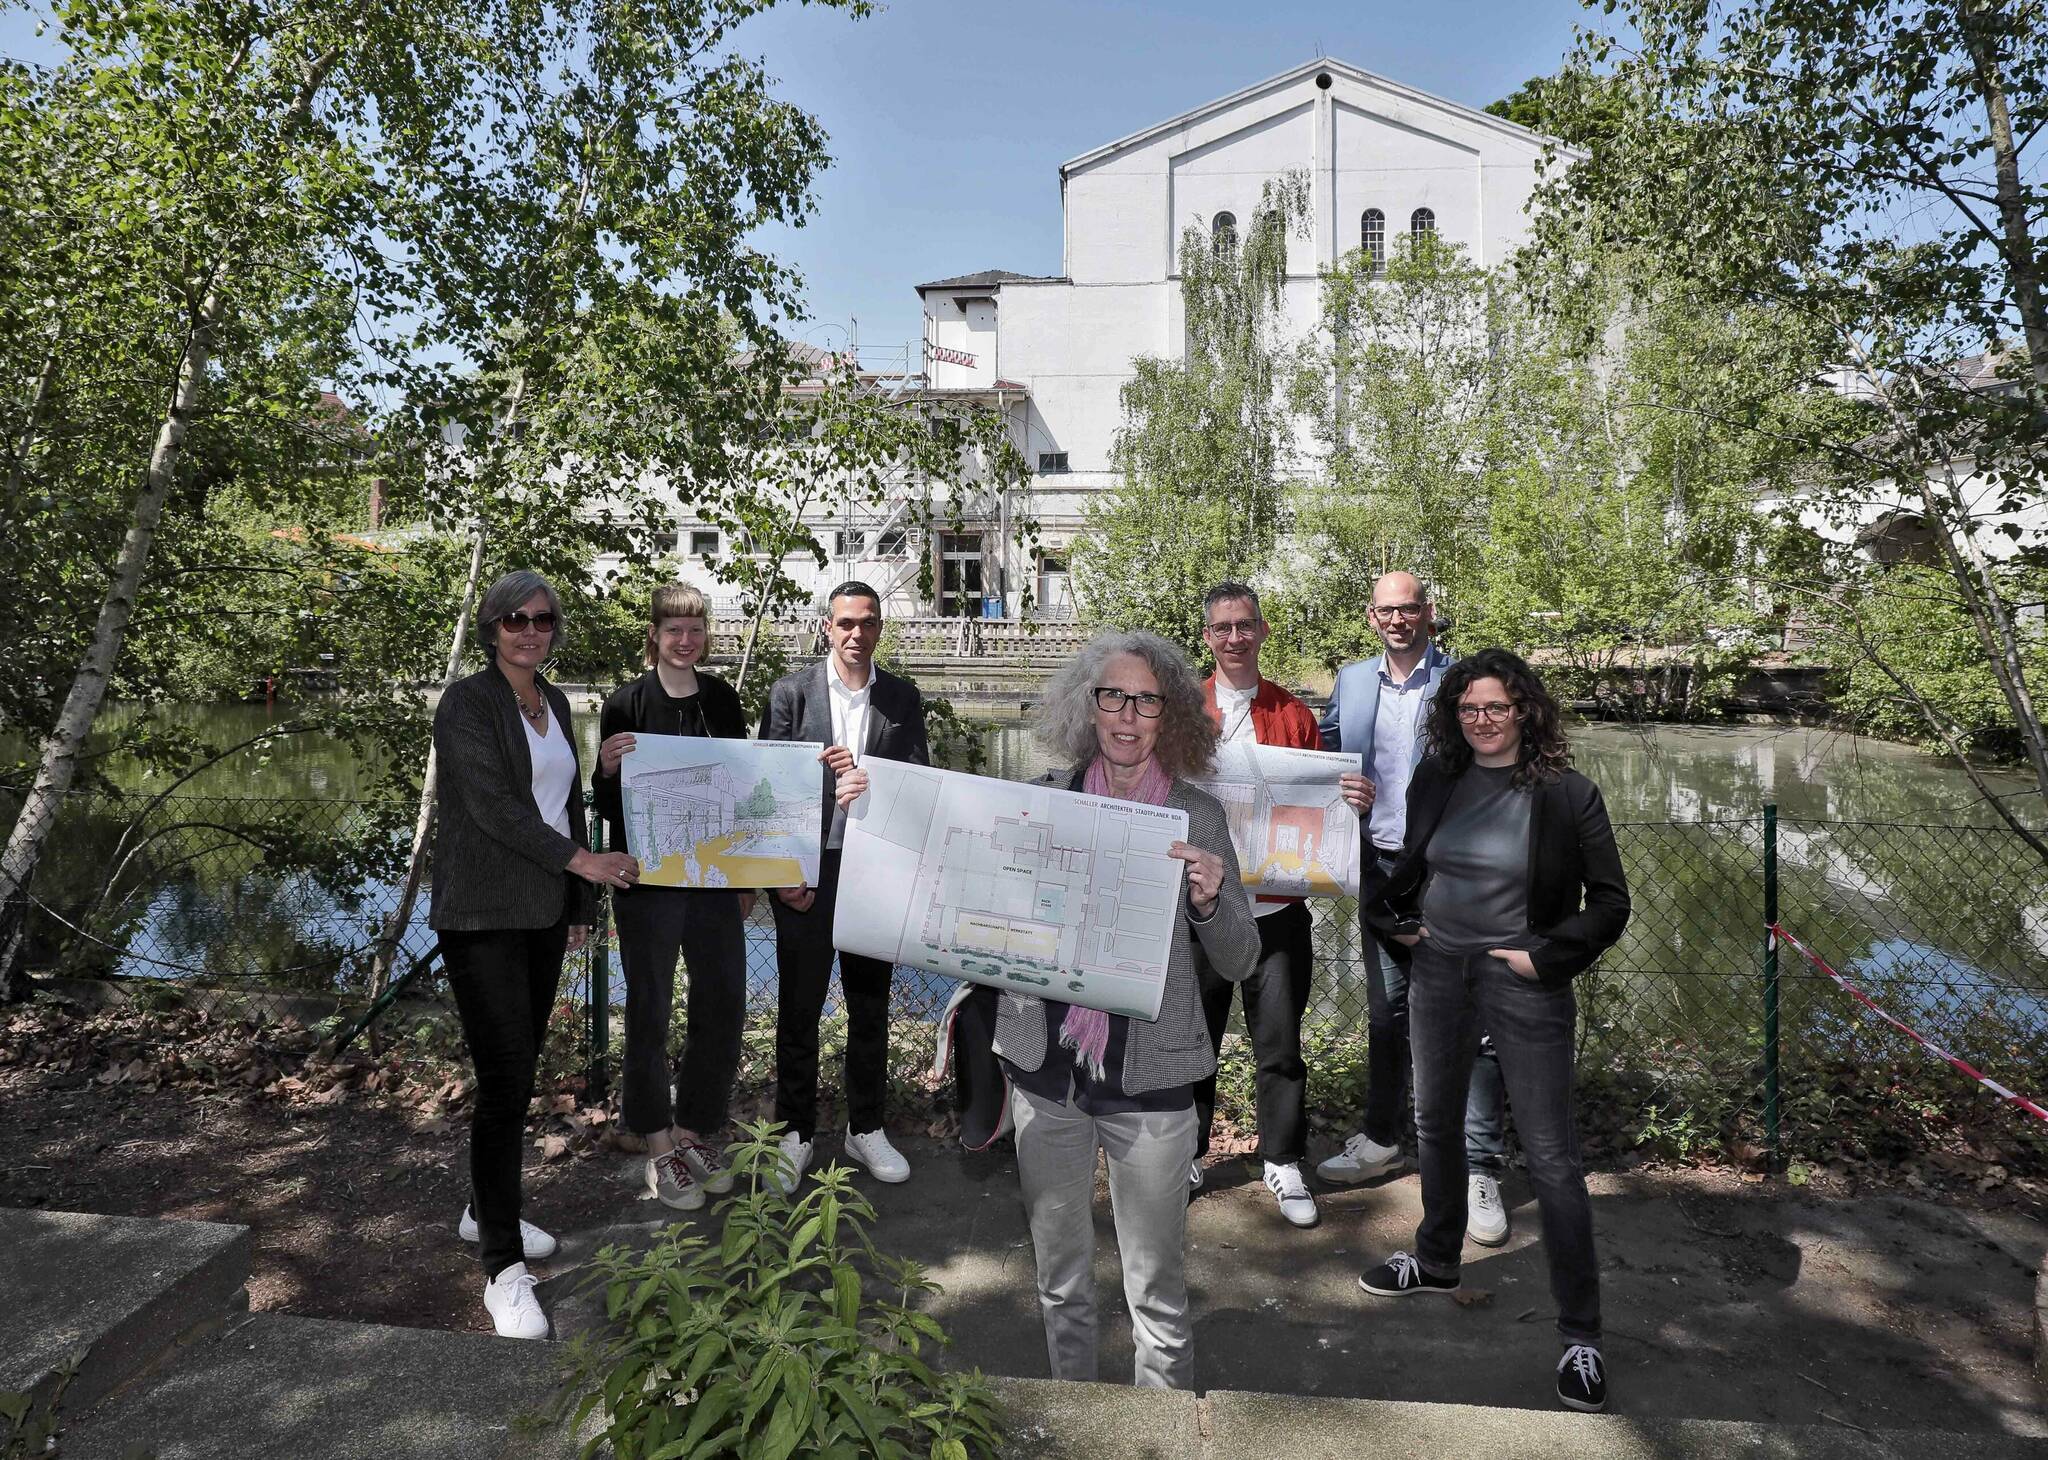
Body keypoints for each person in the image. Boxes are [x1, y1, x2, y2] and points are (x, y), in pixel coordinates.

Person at [1353, 648, 1629, 1414]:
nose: (1482, 720)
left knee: (1552, 1158)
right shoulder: (1438, 777)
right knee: (1434, 1124)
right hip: (1441, 971)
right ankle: (1437, 1260)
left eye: (1496, 708)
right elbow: (1408, 862)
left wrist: (1544, 957)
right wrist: (1397, 923)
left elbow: (1610, 903)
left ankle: (1580, 1334)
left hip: (1522, 982)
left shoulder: (1567, 794)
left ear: (1525, 711)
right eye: (1469, 708)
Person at [996, 630, 1258, 1390]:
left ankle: (1161, 1435)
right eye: (1114, 696)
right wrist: (874, 808)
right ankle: (1074, 1425)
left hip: (1152, 1084)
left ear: (1169, 718)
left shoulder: (1194, 815)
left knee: (1158, 1300)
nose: (1128, 716)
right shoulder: (1045, 801)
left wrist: (1210, 902)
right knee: (1059, 1284)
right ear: (1088, 707)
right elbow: (969, 896)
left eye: (1147, 701)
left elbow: (1241, 959)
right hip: (1046, 1073)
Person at [430, 570, 641, 1340]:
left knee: (517, 1075)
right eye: (515, 619)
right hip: (483, 915)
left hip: (544, 913)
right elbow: (493, 807)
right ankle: (502, 1270)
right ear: (492, 627)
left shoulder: (552, 701)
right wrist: (586, 865)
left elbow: (567, 804)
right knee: (505, 1081)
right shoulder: (466, 703)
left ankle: (485, 1208)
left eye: (542, 619)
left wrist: (578, 904)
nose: (529, 631)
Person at [1316, 572, 1513, 1248]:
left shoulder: (1462, 682)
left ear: (1428, 612)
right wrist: (1336, 786)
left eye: (1408, 609)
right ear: (1372, 618)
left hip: (1451, 871)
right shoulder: (1350, 682)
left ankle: (1479, 1168)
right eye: (1387, 611)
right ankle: (1381, 1138)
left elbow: (1494, 761)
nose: (1398, 620)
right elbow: (1325, 754)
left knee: (1473, 1020)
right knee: (1387, 1013)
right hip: (1379, 868)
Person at [1187, 583, 1352, 1229]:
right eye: (1222, 627)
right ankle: (1188, 1153)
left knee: (1279, 1045)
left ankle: (1281, 1159)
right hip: (1202, 907)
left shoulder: (1294, 713)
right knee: (1194, 1040)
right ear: (1207, 636)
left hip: (1276, 911)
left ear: (1262, 630)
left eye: (1245, 625)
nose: (1235, 637)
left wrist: (1350, 800)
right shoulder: (1182, 710)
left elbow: (1318, 804)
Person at [758, 581, 929, 1191]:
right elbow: (767, 789)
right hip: (807, 874)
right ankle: (795, 1133)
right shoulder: (790, 693)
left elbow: (919, 783)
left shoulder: (903, 698)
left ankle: (866, 1127)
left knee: (870, 1006)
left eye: (868, 622)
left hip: (872, 871)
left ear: (880, 628)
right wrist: (783, 874)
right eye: (846, 623)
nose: (857, 633)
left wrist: (870, 786)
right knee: (798, 1009)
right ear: (827, 627)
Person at [591, 583, 751, 1212]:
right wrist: (606, 770)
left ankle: (692, 1131)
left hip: (712, 879)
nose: (685, 641)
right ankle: (657, 1143)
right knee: (650, 1008)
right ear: (654, 636)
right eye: (673, 630)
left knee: (723, 1002)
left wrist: (746, 877)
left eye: (695, 629)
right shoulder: (626, 703)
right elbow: (610, 808)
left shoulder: (723, 699)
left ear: (706, 635)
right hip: (648, 882)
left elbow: (745, 789)